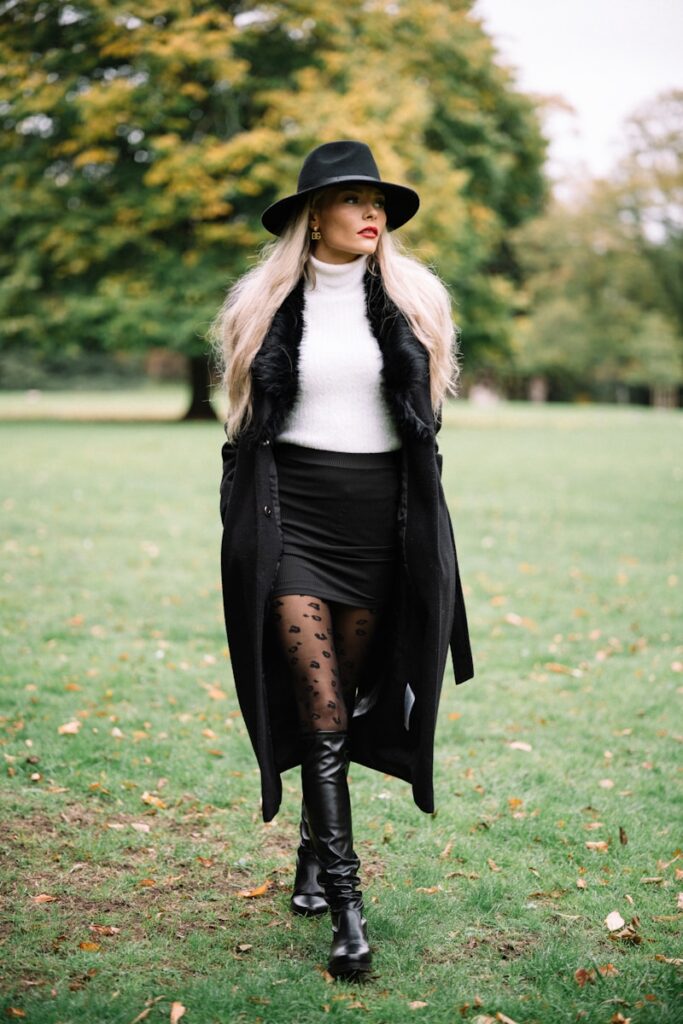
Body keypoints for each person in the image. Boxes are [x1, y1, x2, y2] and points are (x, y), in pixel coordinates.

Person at [212, 140, 473, 980]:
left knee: (353, 699)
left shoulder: (413, 301)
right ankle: (349, 912)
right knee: (320, 711)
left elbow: (423, 429)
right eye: (353, 199)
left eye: (378, 201)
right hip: (291, 524)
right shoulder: (261, 303)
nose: (373, 213)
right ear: (311, 216)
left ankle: (310, 850)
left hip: (378, 531)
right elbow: (242, 426)